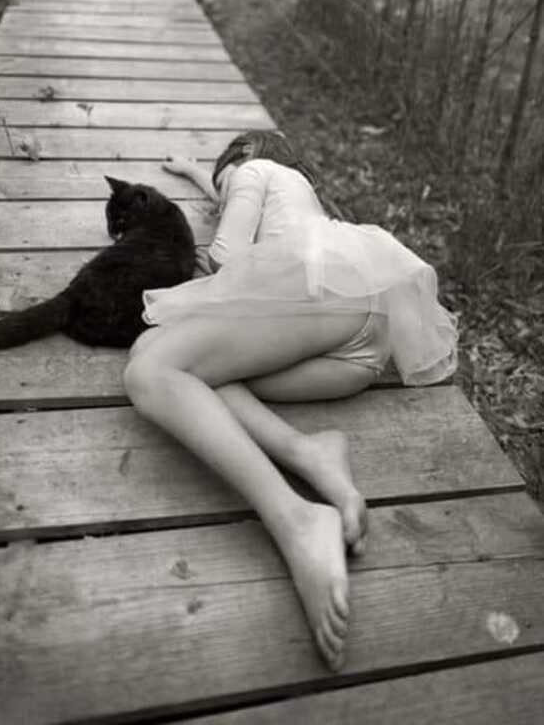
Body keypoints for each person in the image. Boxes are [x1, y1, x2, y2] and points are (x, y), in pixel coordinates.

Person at [123, 130, 458, 671]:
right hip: (359, 346)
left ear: (242, 157)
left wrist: (200, 258)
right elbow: (223, 198)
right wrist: (191, 171)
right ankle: (309, 451)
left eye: (222, 179)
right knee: (180, 371)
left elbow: (227, 254)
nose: (220, 195)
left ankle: (295, 518)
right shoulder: (293, 187)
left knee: (151, 368)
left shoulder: (253, 172)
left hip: (321, 294)